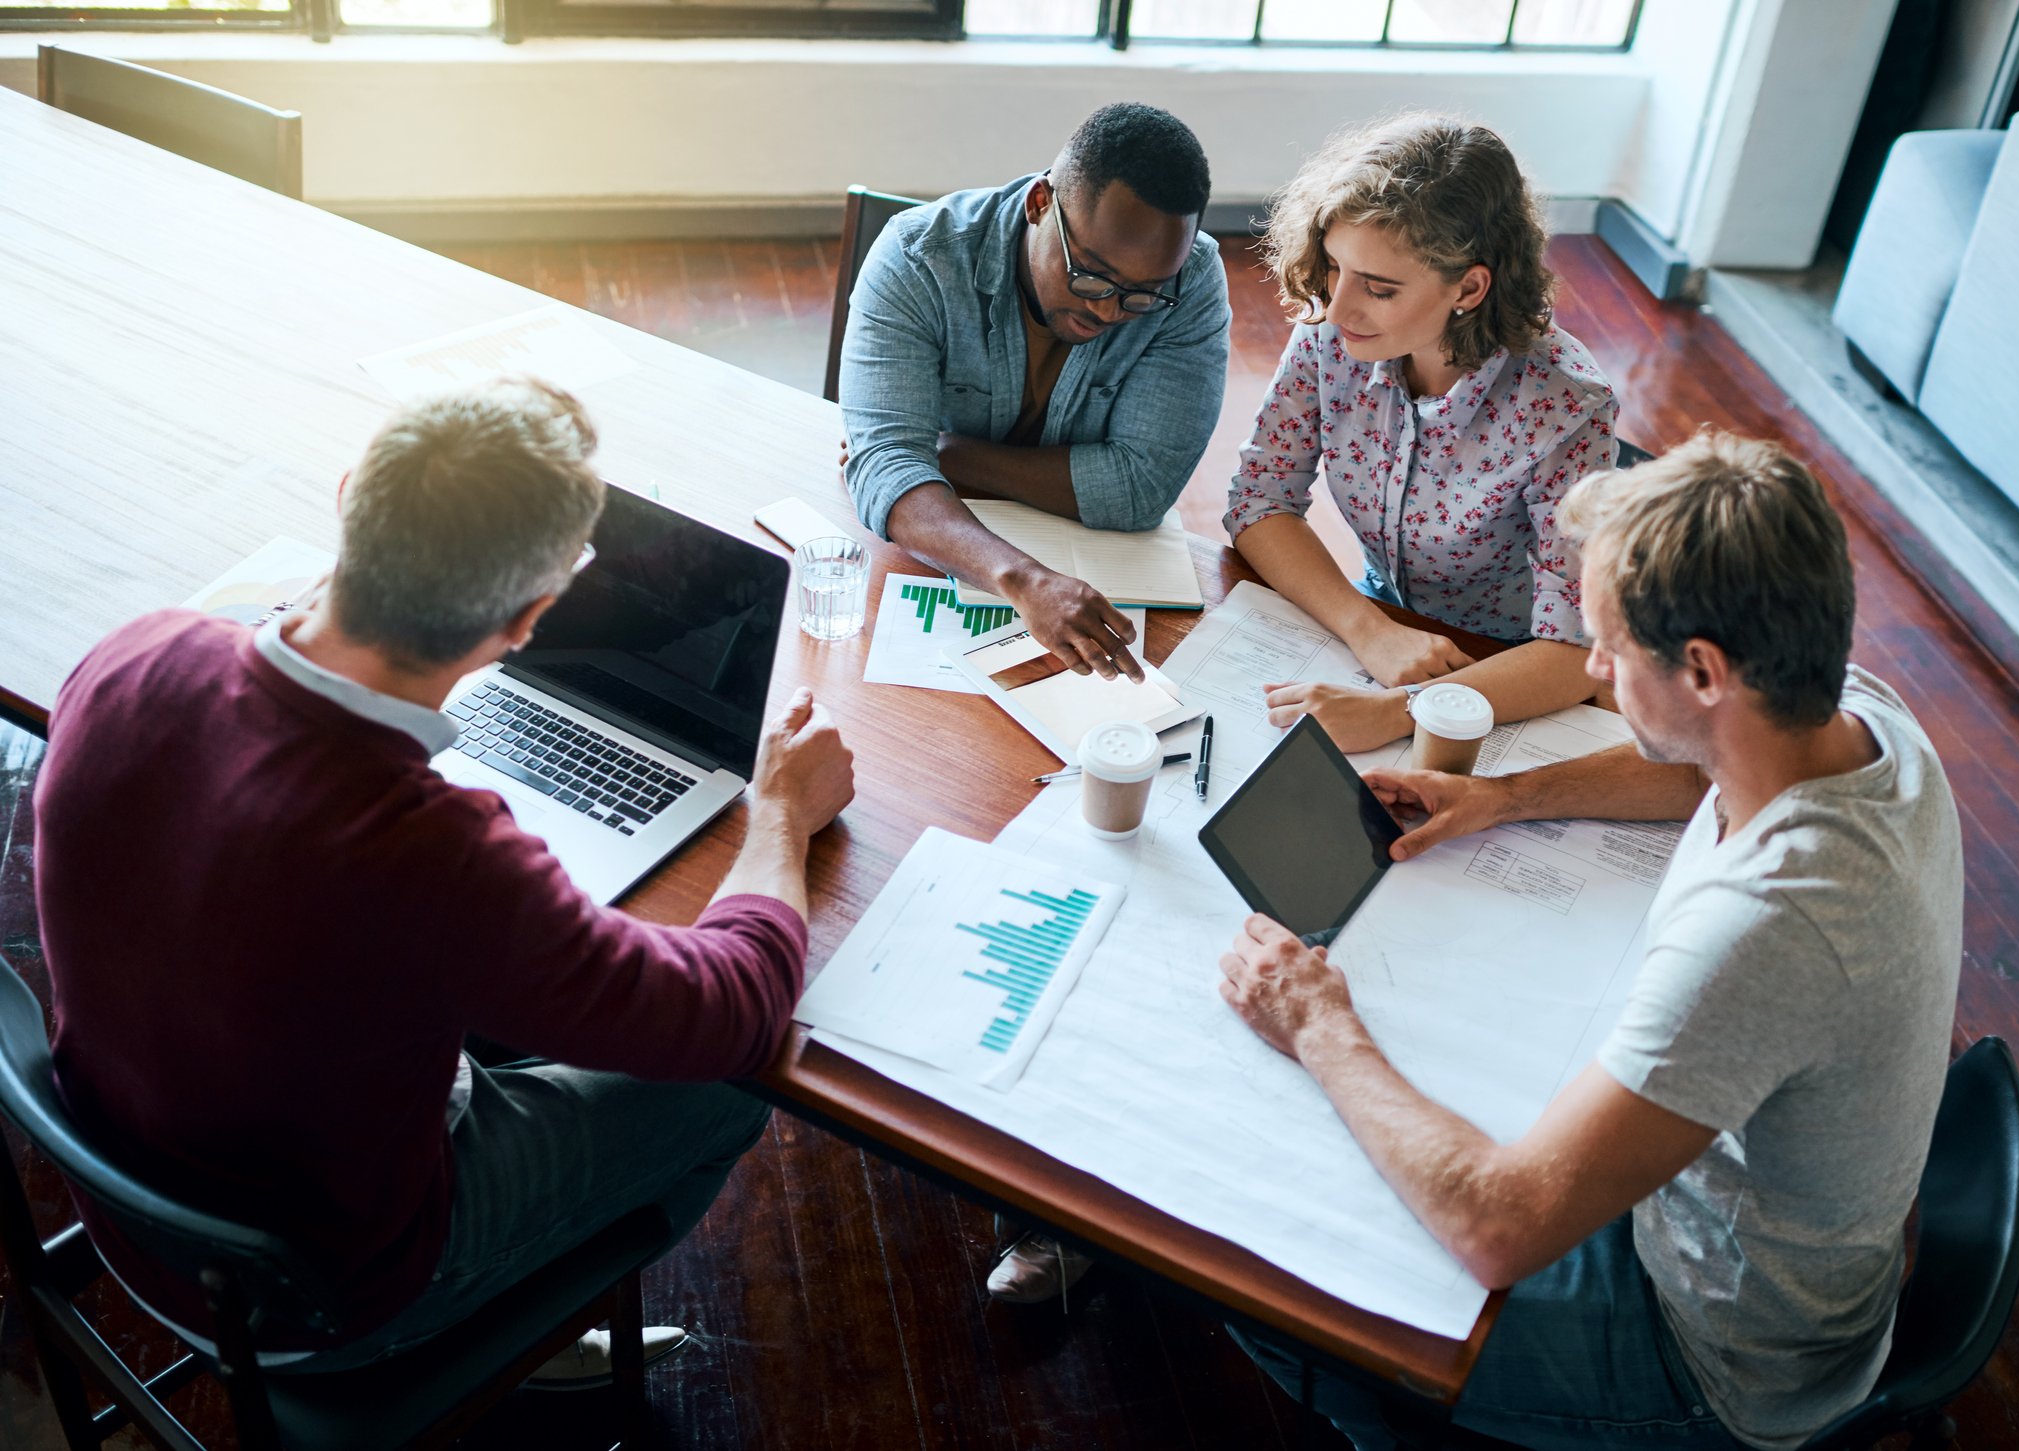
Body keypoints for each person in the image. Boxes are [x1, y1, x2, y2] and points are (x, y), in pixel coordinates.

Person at [33, 378, 856, 1382]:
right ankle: (498, 1315)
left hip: (129, 1213)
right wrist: (777, 814)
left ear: (346, 498)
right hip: (313, 1299)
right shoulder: (430, 852)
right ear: (532, 617)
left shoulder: (138, 652)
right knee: (727, 1087)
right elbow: (730, 1009)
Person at [1218, 432, 1962, 1450]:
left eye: (1607, 646)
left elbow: (1497, 1224)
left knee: (1255, 1261)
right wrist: (1501, 796)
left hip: (1705, 1358)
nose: (1592, 668)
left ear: (1702, 669)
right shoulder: (1851, 713)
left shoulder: (1775, 924)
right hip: (1768, 1235)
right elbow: (1700, 767)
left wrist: (1314, 1020)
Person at [1228, 114, 1617, 752]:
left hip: (1510, 665)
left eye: (1379, 289)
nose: (1339, 304)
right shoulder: (1331, 331)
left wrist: (1404, 711)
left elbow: (1573, 647)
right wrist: (1367, 628)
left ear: (1469, 287)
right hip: (1383, 622)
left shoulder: (1566, 406)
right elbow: (1259, 500)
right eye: (1334, 266)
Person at [840, 100, 1232, 686]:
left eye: (1141, 294)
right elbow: (885, 473)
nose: (1107, 309)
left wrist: (944, 455)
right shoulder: (917, 258)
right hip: (921, 573)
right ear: (1040, 203)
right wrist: (1023, 579)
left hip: (1060, 560)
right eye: (1091, 273)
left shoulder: (1191, 281)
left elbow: (1140, 489)